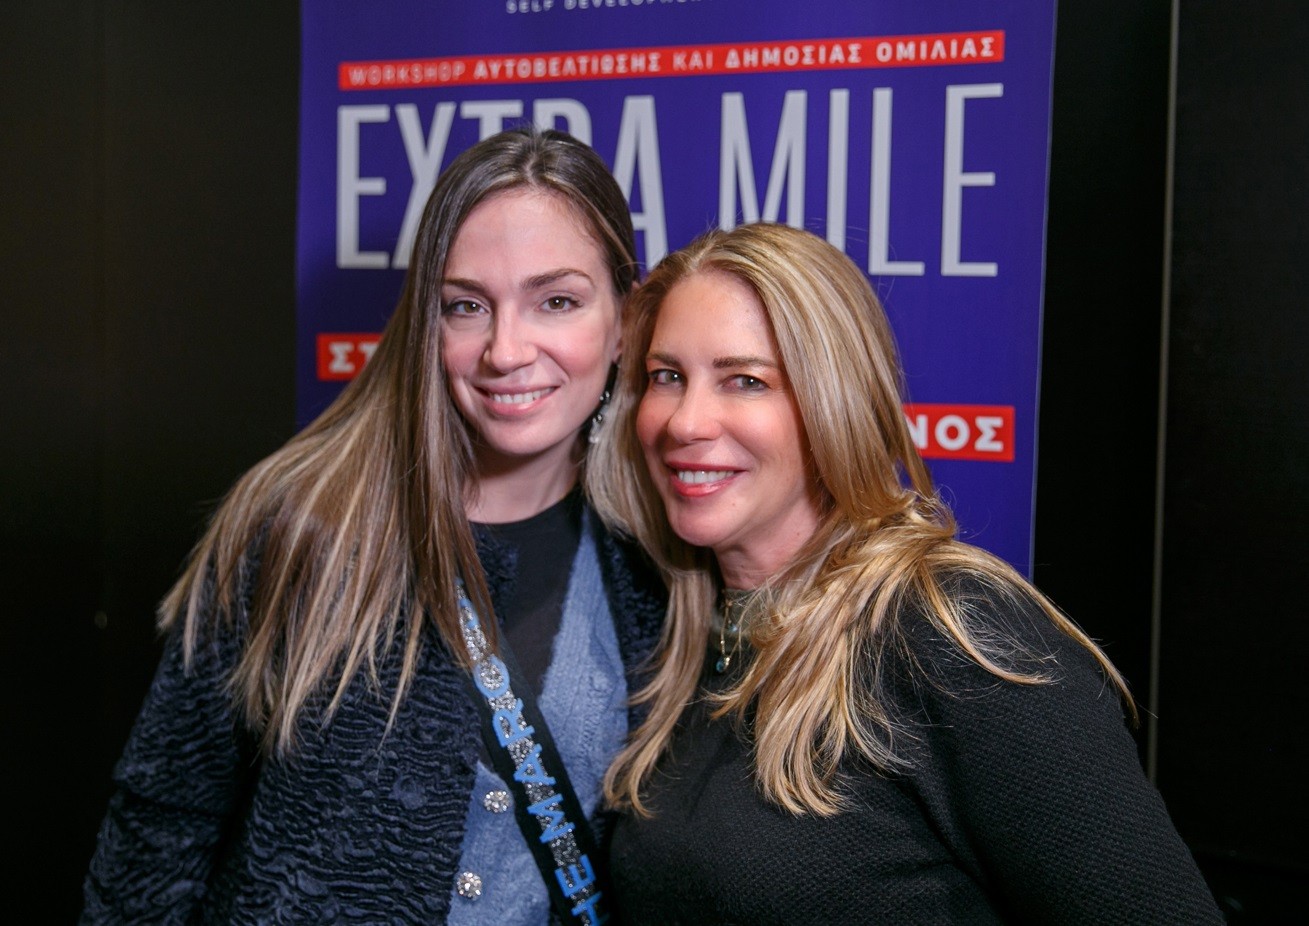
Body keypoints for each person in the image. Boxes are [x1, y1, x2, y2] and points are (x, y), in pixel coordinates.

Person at [81, 127, 664, 924]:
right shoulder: (298, 524)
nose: (505, 350)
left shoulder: (662, 556)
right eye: (465, 306)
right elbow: (158, 831)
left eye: (556, 301)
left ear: (625, 318)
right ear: (426, 321)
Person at [588, 223, 1224, 924]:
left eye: (745, 381)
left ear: (835, 401)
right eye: (667, 377)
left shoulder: (948, 633)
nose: (685, 422)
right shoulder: (682, 632)